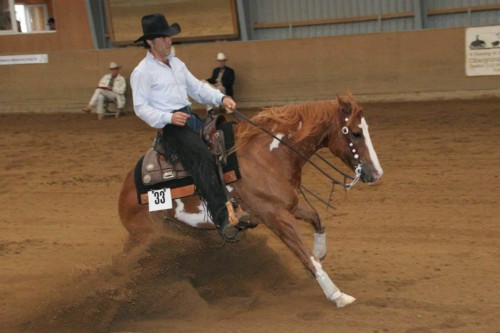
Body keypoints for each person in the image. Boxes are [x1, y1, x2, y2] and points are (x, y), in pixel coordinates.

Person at [130, 13, 248, 240]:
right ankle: (223, 217)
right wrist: (168, 117)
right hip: (172, 128)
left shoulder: (176, 63)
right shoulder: (142, 72)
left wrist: (220, 99)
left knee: (228, 138)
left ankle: (236, 196)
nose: (169, 41)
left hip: (189, 118)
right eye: (164, 38)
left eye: (169, 37)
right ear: (150, 42)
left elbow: (197, 88)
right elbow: (141, 108)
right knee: (202, 156)